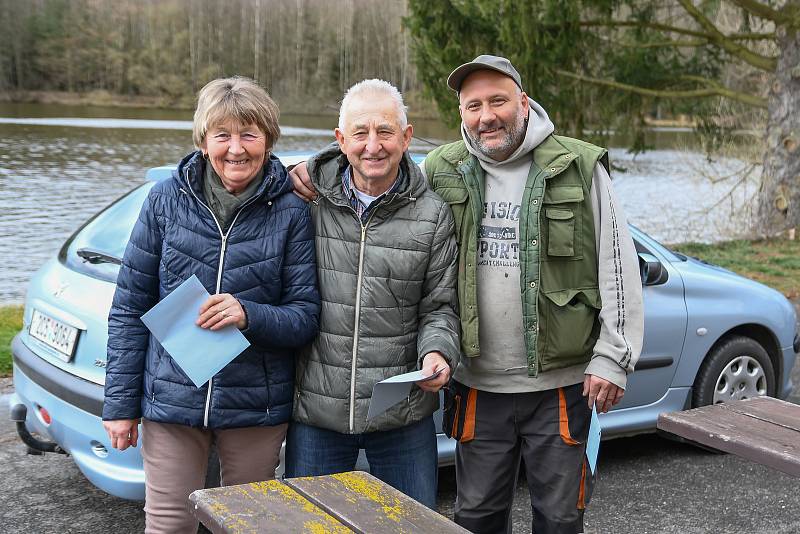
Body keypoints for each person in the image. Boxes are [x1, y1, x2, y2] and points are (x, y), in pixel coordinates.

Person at [291, 56, 644, 533]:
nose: (486, 115)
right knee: (475, 517)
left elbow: (617, 266)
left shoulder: (577, 166)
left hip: (559, 385)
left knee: (560, 518)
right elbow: (375, 170)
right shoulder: (443, 168)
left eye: (498, 101)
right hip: (478, 384)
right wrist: (308, 170)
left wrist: (612, 357)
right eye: (472, 105)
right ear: (460, 112)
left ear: (523, 102)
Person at [102, 76, 320, 534]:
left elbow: (305, 316)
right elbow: (128, 307)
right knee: (169, 525)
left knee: (245, 527)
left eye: (249, 134)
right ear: (203, 141)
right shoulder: (164, 200)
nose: (236, 149)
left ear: (269, 139)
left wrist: (250, 314)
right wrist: (120, 405)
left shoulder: (292, 211)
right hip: (172, 400)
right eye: (222, 134)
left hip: (255, 406)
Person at [283, 79, 459, 509]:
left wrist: (438, 352)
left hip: (401, 415)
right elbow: (243, 170)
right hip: (316, 414)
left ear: (407, 137)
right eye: (360, 133)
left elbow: (439, 307)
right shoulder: (305, 201)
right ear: (340, 140)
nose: (373, 145)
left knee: (411, 524)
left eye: (385, 131)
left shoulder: (432, 215)